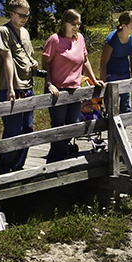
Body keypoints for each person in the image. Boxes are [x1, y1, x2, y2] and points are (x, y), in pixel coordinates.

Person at [42, 9, 104, 162]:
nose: (77, 27)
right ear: (65, 23)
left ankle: (61, 154)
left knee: (73, 123)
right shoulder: (55, 40)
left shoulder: (80, 39)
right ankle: (56, 158)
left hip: (75, 88)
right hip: (58, 88)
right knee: (58, 124)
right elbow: (46, 63)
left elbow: (85, 60)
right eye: (73, 24)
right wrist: (49, 83)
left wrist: (94, 80)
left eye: (79, 24)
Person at [0, 0, 39, 174]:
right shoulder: (3, 31)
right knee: (13, 131)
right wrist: (11, 88)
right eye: (22, 15)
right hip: (13, 88)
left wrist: (33, 62)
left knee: (27, 130)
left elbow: (26, 55)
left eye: (27, 15)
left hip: (28, 87)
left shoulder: (25, 33)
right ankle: (5, 169)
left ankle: (18, 167)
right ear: (11, 13)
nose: (25, 19)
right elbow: (7, 60)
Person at [99, 10, 132, 115]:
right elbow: (103, 63)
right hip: (111, 74)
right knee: (113, 106)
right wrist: (103, 83)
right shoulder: (111, 40)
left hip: (125, 72)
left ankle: (124, 128)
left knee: (126, 105)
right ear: (124, 26)